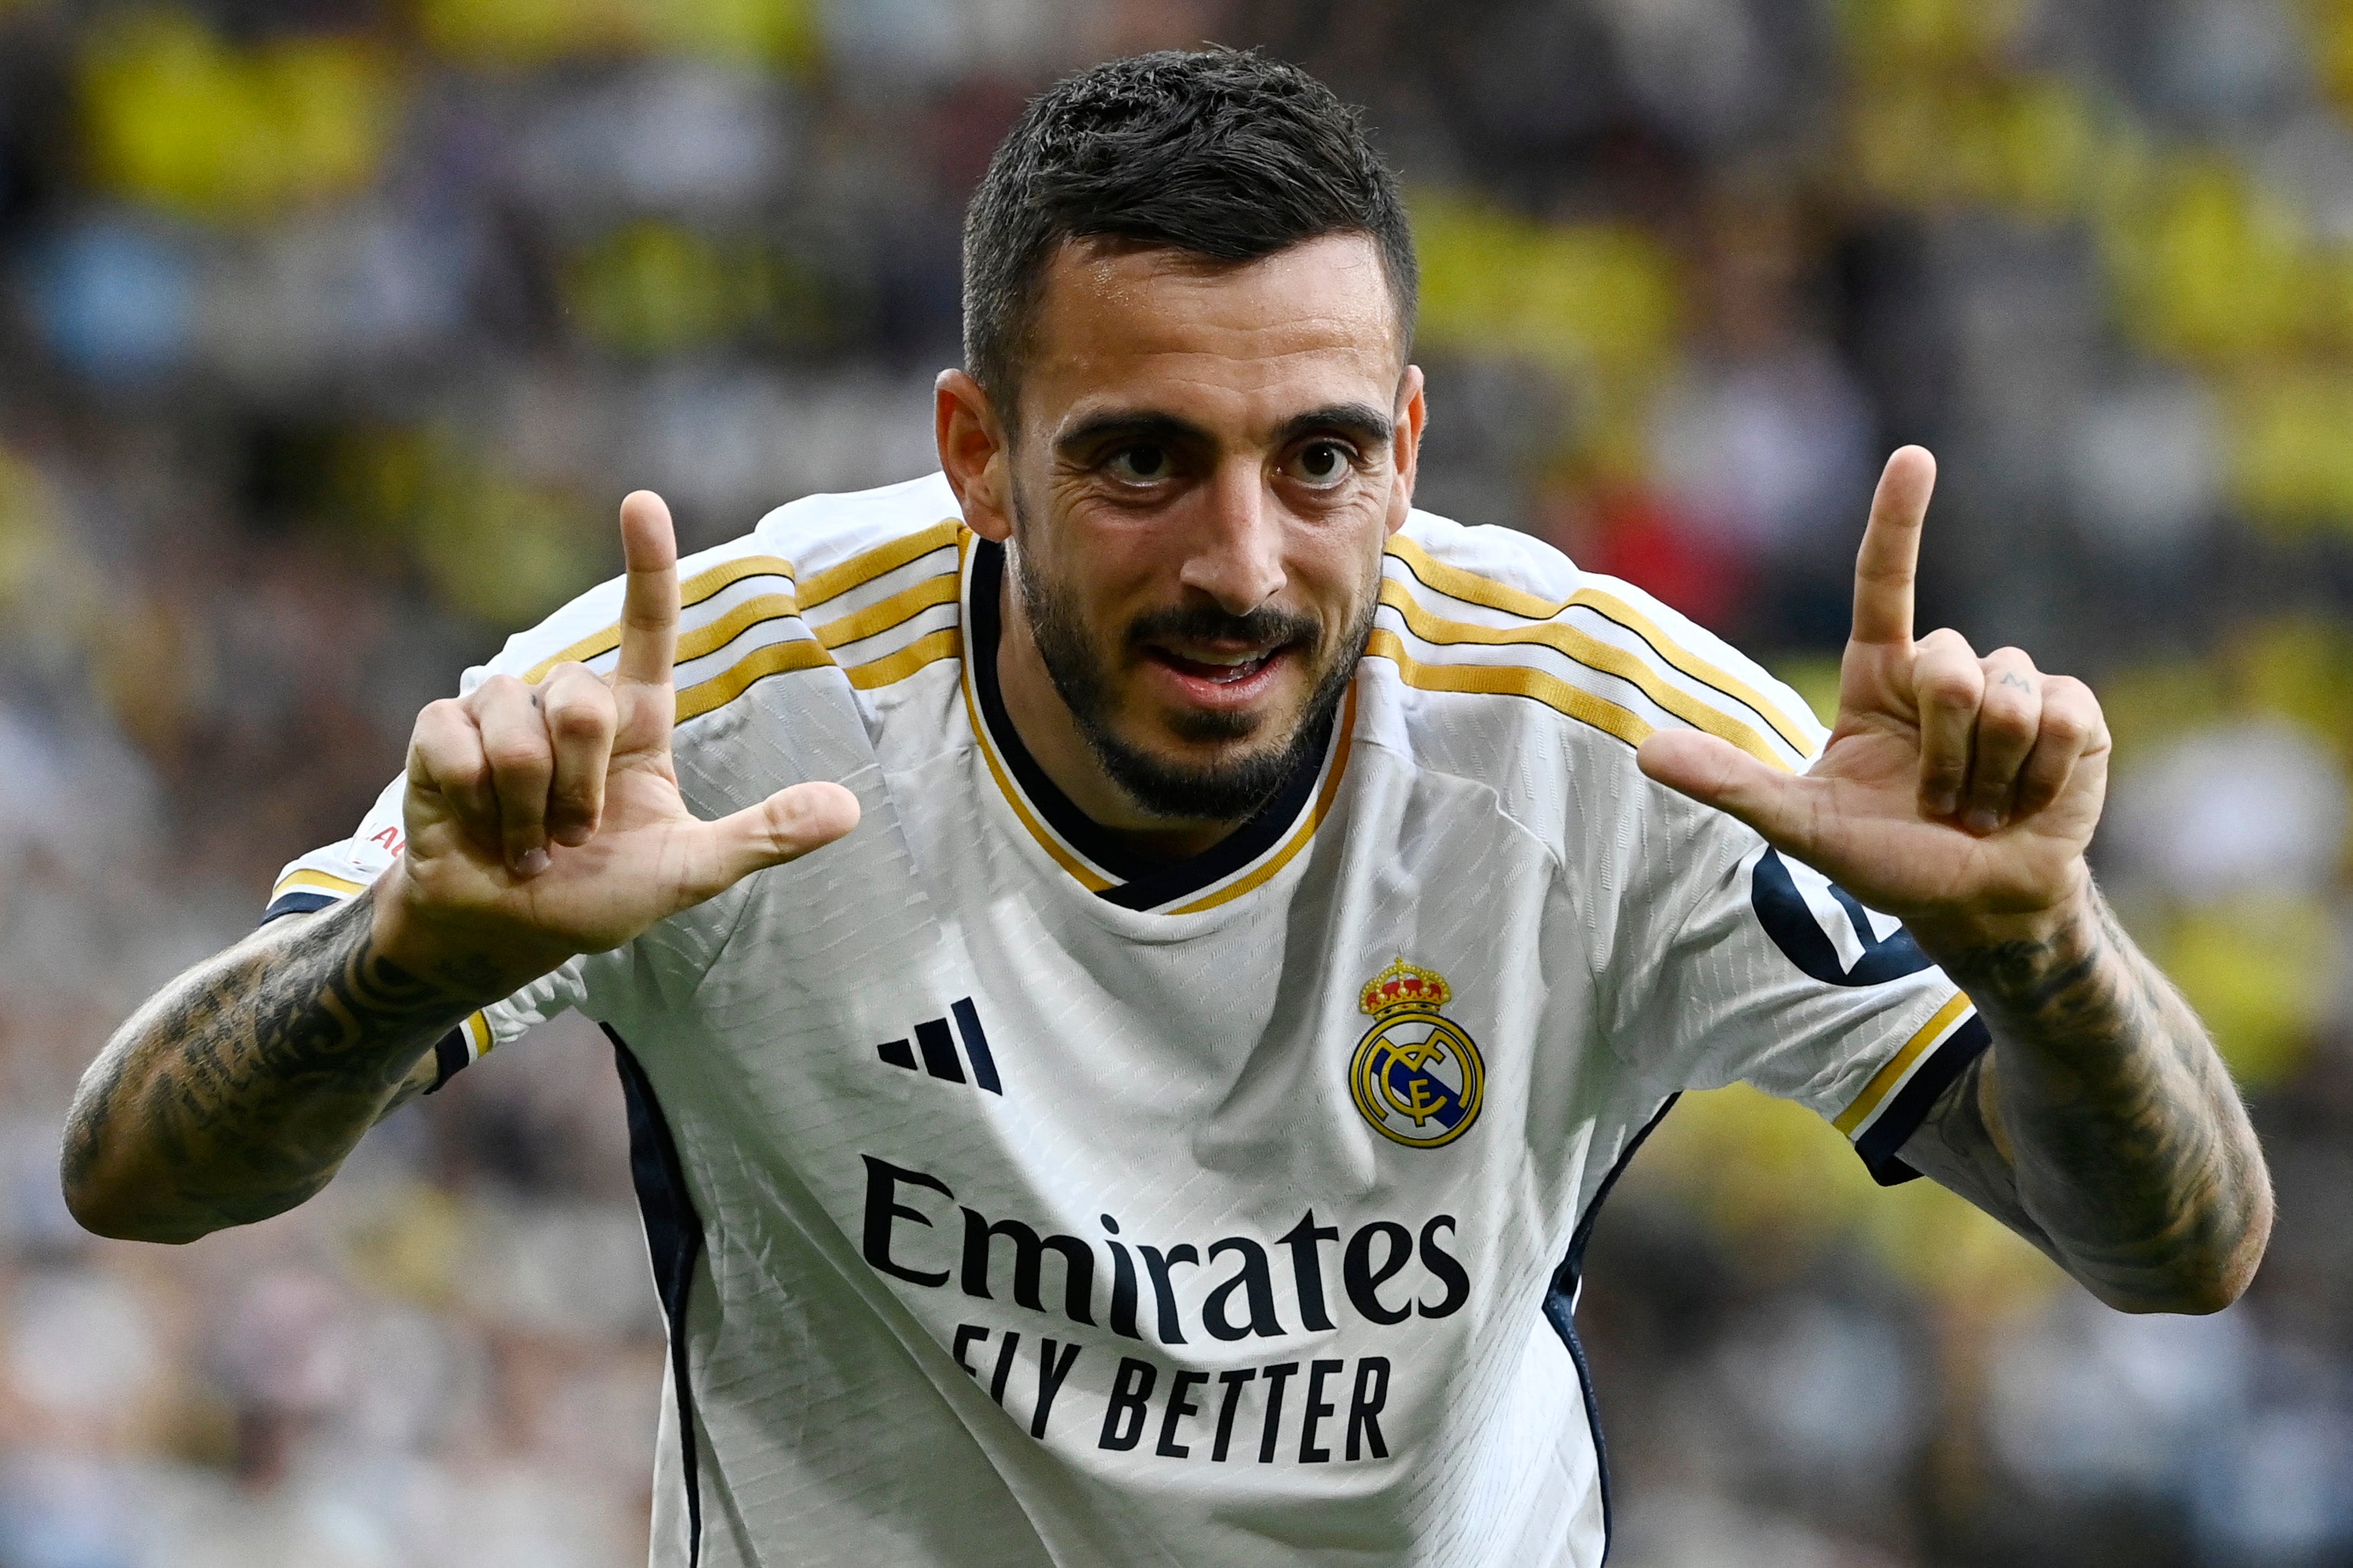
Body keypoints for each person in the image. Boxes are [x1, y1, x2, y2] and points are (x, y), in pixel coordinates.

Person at [63, 49, 2269, 1568]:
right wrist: (401, 967)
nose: (1239, 558)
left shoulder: (1619, 744)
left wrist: (2045, 949)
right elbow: (138, 1173)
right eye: (1138, 459)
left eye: (1319, 458)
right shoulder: (697, 706)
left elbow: (2179, 1250)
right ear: (972, 449)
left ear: (1405, 440)